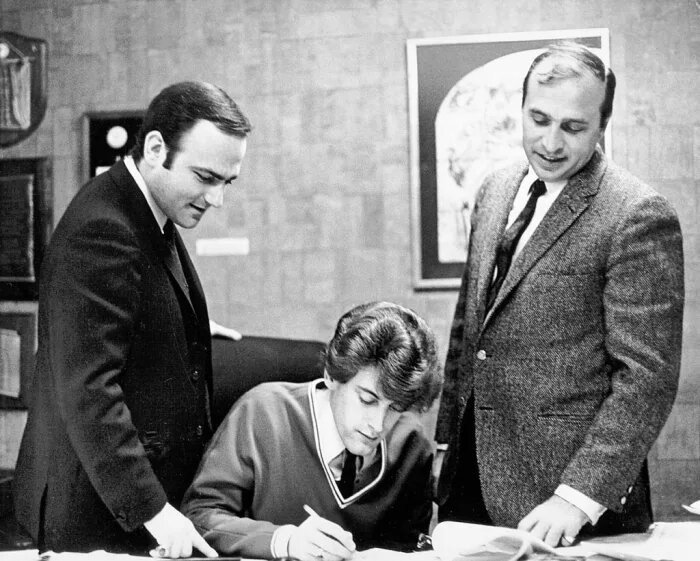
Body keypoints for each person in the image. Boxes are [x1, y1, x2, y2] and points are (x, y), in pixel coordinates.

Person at [435, 42, 684, 547]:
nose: (550, 142)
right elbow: (469, 327)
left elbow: (646, 378)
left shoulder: (637, 214)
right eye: (539, 119)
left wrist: (577, 496)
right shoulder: (495, 189)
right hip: (470, 481)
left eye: (573, 127)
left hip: (566, 501)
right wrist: (444, 446)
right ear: (522, 108)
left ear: (602, 125)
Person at [13, 81, 252, 557]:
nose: (216, 199)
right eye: (205, 177)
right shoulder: (102, 228)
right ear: (156, 148)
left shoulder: (146, 206)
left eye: (227, 182)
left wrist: (181, 325)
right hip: (92, 512)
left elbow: (122, 308)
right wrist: (155, 512)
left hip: (115, 503)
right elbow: (88, 389)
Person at [181, 301, 443, 560]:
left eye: (395, 408)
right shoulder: (262, 412)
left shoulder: (411, 443)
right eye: (367, 400)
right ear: (331, 376)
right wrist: (285, 541)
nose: (378, 424)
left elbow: (412, 547)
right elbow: (199, 515)